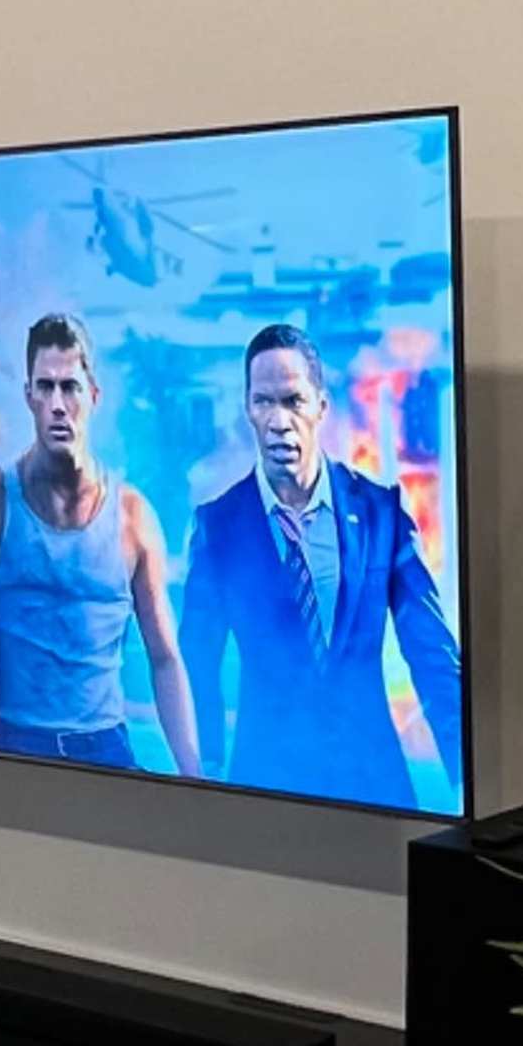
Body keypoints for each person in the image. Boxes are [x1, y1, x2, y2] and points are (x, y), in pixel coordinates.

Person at [174, 321, 463, 809]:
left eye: (293, 401)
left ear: (321, 407)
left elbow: (431, 652)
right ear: (248, 408)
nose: (278, 419)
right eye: (264, 402)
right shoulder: (218, 527)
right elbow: (196, 661)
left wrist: (463, 774)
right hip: (263, 786)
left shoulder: (380, 514)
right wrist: (206, 774)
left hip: (374, 785)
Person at [0, 313, 201, 773]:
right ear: (29, 397)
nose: (58, 404)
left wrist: (195, 775)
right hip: (21, 742)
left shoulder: (133, 517)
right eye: (46, 387)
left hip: (106, 746)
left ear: (93, 396)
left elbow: (165, 658)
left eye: (71, 387)